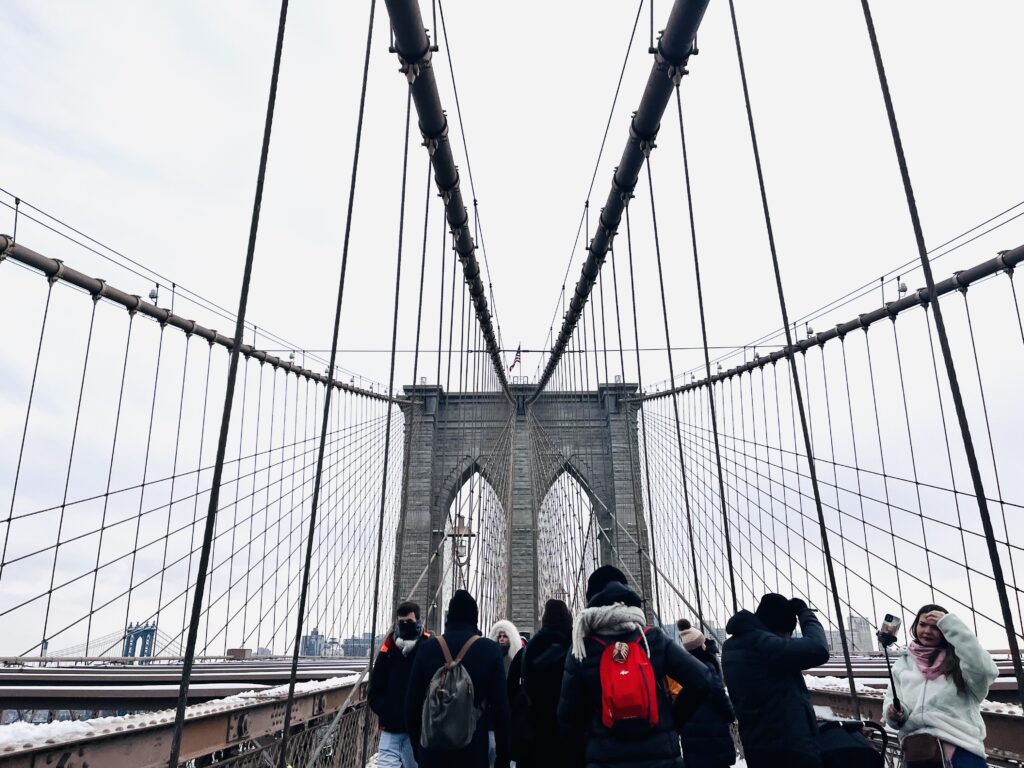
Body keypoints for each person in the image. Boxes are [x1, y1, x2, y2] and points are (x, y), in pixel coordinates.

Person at [558, 565, 711, 767]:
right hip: (661, 758)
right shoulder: (653, 638)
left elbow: (568, 718)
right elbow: (703, 680)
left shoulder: (581, 648)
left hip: (605, 757)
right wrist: (672, 721)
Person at [721, 593, 830, 768]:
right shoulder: (761, 644)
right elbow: (818, 649)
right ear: (777, 627)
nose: (787, 639)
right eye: (787, 634)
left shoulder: (732, 646)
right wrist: (805, 612)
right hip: (788, 750)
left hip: (758, 746)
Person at [405, 589, 511, 768]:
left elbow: (411, 705)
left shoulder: (427, 649)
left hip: (432, 756)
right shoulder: (489, 650)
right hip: (473, 755)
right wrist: (503, 758)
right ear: (475, 618)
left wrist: (418, 749)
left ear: (449, 617)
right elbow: (501, 710)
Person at [883, 604, 998, 768]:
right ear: (915, 626)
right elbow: (892, 701)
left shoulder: (961, 662)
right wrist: (895, 712)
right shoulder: (902, 665)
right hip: (919, 751)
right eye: (922, 625)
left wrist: (952, 625)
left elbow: (986, 671)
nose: (927, 631)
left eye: (936, 627)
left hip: (960, 747)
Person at [507, 599, 575, 768]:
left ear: (544, 620)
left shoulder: (524, 655)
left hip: (531, 741)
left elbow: (509, 697)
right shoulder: (576, 654)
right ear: (568, 621)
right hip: (567, 744)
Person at [369, 601, 430, 767]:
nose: (404, 625)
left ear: (418, 621)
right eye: (401, 622)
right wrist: (387, 710)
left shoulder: (429, 647)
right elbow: (374, 689)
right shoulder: (388, 648)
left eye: (409, 622)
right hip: (391, 729)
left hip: (419, 731)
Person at [675, 620, 736, 768]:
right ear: (701, 645)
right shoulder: (707, 668)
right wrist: (730, 715)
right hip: (712, 732)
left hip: (691, 733)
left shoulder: (682, 669)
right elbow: (720, 695)